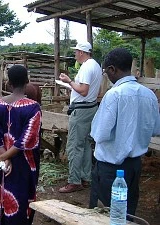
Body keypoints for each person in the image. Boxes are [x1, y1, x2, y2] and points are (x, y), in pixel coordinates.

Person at [89, 48, 160, 218]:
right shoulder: (149, 95)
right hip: (134, 166)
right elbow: (156, 129)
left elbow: (99, 133)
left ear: (113, 69)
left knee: (102, 215)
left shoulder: (114, 95)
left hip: (110, 169)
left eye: (107, 72)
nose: (107, 76)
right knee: (127, 214)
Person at [0, 65, 42, 225]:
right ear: (27, 81)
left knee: (1, 191)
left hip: (1, 159)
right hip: (23, 163)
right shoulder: (33, 108)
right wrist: (7, 157)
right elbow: (27, 139)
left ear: (8, 83)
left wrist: (3, 156)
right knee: (20, 197)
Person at [58, 41, 103, 193]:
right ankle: (85, 177)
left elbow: (83, 90)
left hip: (81, 110)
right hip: (91, 108)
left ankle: (74, 181)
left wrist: (69, 81)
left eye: (76, 51)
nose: (75, 54)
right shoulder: (95, 65)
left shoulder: (86, 67)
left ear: (82, 52)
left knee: (74, 146)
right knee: (85, 145)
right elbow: (92, 91)